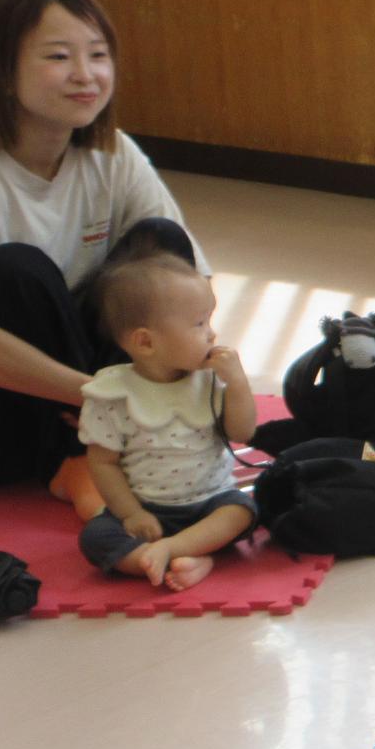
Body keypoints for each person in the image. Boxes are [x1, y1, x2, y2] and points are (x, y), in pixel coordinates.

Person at [0, 0, 207, 516]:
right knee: (13, 272)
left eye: (98, 55)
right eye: (58, 57)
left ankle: (93, 456)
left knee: (160, 248)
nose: (86, 75)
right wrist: (99, 397)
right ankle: (80, 460)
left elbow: (195, 287)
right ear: (3, 71)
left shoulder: (113, 153)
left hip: (94, 411)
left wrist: (188, 385)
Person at [76, 240, 257, 591]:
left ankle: (168, 552)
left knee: (243, 511)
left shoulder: (207, 380)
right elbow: (103, 463)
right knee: (95, 538)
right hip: (148, 509)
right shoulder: (113, 395)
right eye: (199, 323)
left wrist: (237, 384)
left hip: (211, 501)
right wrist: (132, 513)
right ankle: (194, 557)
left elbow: (243, 431)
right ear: (145, 342)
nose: (212, 333)